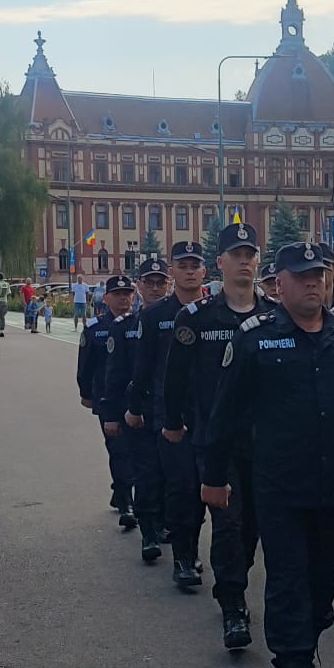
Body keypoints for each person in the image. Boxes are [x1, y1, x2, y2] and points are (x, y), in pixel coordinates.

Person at [201, 240, 334, 668]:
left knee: (324, 586)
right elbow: (224, 415)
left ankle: (309, 644)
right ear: (277, 284)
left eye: (318, 275)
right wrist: (213, 477)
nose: (311, 283)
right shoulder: (256, 337)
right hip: (277, 486)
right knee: (286, 581)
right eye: (300, 276)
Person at [162, 222, 262, 647]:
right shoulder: (197, 318)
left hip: (267, 442)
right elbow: (175, 379)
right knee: (227, 524)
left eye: (250, 254)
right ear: (219, 263)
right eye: (235, 254)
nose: (243, 261)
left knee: (253, 527)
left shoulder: (274, 315)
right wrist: (173, 422)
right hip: (215, 440)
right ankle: (233, 605)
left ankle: (237, 581)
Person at [129, 241, 206, 591]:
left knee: (211, 488)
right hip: (171, 417)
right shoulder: (154, 315)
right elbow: (142, 369)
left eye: (195, 264)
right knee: (181, 488)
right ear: (172, 271)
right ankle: (184, 558)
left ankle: (193, 544)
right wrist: (136, 409)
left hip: (212, 415)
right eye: (183, 265)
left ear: (205, 270)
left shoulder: (216, 312)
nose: (190, 270)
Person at [99, 258, 169, 560]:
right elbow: (114, 376)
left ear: (169, 285)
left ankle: (168, 524)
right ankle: (150, 533)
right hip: (138, 413)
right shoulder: (125, 326)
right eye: (148, 282)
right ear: (138, 286)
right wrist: (112, 415)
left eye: (160, 282)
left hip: (173, 412)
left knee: (176, 477)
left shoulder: (183, 319)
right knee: (147, 474)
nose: (154, 287)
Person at [77, 273, 137, 527]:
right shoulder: (95, 328)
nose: (124, 299)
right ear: (107, 298)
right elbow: (85, 366)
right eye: (118, 294)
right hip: (107, 398)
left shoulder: (139, 324)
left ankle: (121, 491)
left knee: (137, 451)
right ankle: (126, 501)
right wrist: (86, 394)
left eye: (127, 294)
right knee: (118, 449)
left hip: (135, 398)